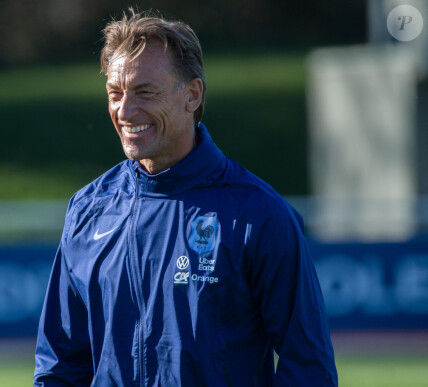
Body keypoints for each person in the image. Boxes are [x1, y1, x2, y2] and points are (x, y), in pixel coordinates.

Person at [34, 9, 338, 386]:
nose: (125, 111)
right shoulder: (88, 210)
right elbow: (60, 367)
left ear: (192, 95)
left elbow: (308, 367)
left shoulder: (260, 215)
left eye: (145, 92)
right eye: (115, 93)